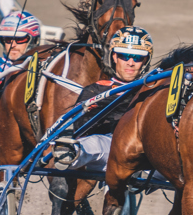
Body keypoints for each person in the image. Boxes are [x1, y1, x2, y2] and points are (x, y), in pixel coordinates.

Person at [53, 26, 154, 171]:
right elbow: (77, 125)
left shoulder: (152, 91)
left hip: (145, 153)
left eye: (137, 58)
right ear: (114, 57)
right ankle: (69, 153)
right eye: (124, 56)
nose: (130, 63)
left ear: (145, 60)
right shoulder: (96, 90)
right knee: (95, 143)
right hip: (109, 147)